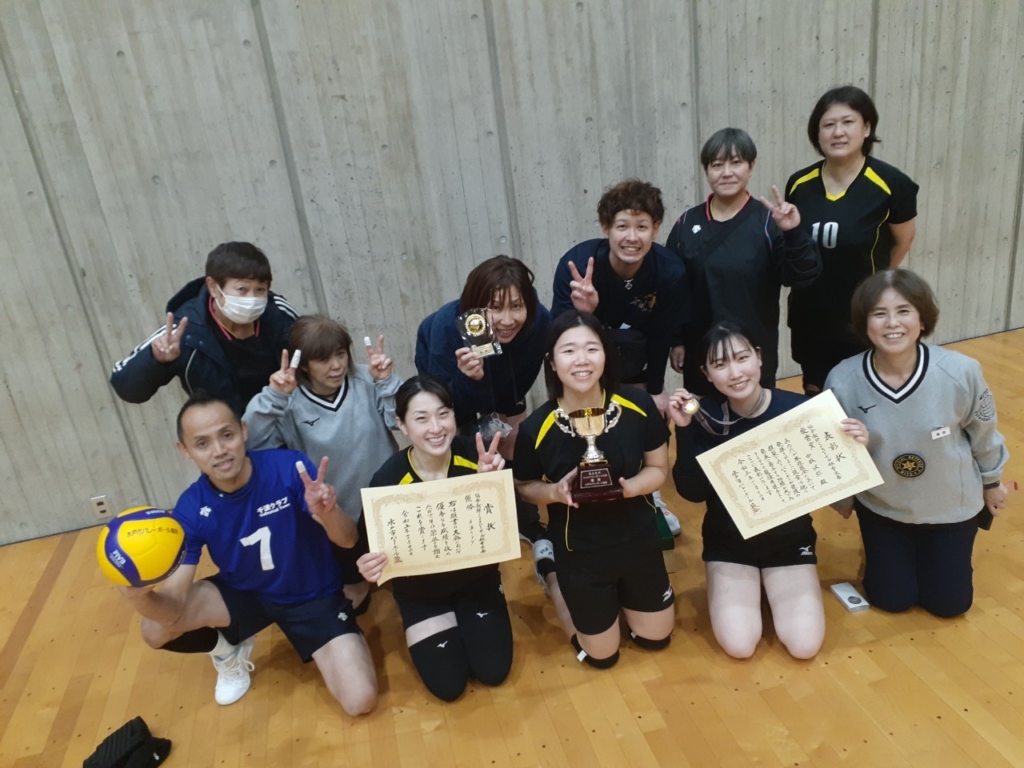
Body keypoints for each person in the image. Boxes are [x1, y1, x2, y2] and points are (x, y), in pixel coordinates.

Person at [117, 392, 377, 715]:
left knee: (360, 700)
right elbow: (172, 607)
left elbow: (349, 540)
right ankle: (225, 650)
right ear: (184, 450)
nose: (219, 450)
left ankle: (338, 637)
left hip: (312, 596)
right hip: (245, 593)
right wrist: (140, 597)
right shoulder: (191, 507)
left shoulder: (289, 468)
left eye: (226, 435)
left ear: (243, 431)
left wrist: (328, 512)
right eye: (202, 443)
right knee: (153, 628)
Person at [669, 322, 867, 659]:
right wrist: (684, 431)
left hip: (788, 541)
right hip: (729, 542)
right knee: (740, 645)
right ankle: (744, 585)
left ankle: (768, 584)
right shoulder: (704, 417)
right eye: (720, 364)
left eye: (742, 357)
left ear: (759, 357)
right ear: (706, 374)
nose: (735, 373)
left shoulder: (801, 410)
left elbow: (840, 479)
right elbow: (692, 492)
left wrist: (857, 443)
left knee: (804, 646)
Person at [825, 270, 1009, 617]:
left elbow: (984, 432)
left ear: (923, 319)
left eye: (904, 311)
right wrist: (843, 496)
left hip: (950, 508)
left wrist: (992, 482)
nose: (892, 323)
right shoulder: (843, 379)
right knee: (892, 600)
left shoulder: (961, 371)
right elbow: (833, 449)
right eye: (879, 313)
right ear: (864, 323)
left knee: (950, 605)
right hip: (884, 507)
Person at [513, 311, 674, 668]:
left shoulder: (638, 405)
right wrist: (554, 493)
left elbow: (659, 469)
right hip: (580, 551)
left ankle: (621, 600)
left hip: (638, 540)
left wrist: (628, 489)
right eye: (569, 351)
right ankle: (552, 574)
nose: (582, 360)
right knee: (602, 656)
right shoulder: (536, 427)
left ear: (606, 354)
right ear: (552, 362)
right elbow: (525, 487)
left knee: (655, 639)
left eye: (592, 348)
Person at [356, 376, 513, 702]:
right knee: (448, 686)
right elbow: (366, 549)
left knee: (493, 672)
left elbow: (503, 530)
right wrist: (368, 565)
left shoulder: (478, 456)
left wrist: (491, 485)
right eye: (421, 418)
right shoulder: (387, 481)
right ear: (402, 425)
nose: (436, 428)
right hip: (421, 594)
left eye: (443, 414)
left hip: (478, 582)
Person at [551, 180, 688, 533]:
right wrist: (586, 314)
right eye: (622, 226)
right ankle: (580, 492)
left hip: (637, 359)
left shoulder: (669, 271)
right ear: (606, 228)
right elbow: (561, 340)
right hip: (585, 365)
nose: (632, 237)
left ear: (656, 228)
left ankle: (650, 493)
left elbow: (661, 334)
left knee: (650, 417)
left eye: (642, 226)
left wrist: (655, 390)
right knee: (587, 428)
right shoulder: (576, 264)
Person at [243, 315, 400, 613]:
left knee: (408, 581)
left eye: (341, 354)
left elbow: (399, 421)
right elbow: (252, 443)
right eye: (323, 359)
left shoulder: (368, 378)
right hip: (337, 514)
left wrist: (387, 382)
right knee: (353, 592)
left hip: (387, 504)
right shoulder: (288, 400)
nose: (337, 365)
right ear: (303, 364)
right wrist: (273, 397)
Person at [415, 256, 555, 570]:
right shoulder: (446, 327)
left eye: (516, 306)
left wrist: (504, 413)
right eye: (495, 307)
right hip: (450, 386)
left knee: (512, 443)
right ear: (475, 305)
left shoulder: (539, 321)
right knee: (457, 447)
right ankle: (467, 527)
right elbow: (445, 406)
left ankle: (526, 520)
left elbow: (523, 377)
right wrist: (470, 379)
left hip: (506, 383)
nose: (507, 319)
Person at [666, 127, 820, 396]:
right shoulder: (686, 223)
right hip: (702, 354)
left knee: (757, 418)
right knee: (702, 417)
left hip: (753, 353)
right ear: (706, 171)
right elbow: (674, 290)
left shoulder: (769, 221)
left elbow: (801, 276)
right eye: (717, 165)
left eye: (736, 162)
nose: (726, 172)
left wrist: (793, 233)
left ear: (751, 167)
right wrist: (676, 340)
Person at [786, 86, 919, 394]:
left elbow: (902, 241)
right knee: (817, 396)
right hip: (811, 315)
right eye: (828, 124)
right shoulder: (799, 184)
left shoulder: (891, 183)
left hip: (862, 317)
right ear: (817, 133)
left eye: (848, 122)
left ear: (867, 127)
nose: (838, 132)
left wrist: (873, 286)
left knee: (865, 399)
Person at [111, 242, 297, 415]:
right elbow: (126, 387)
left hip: (284, 419)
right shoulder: (185, 331)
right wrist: (156, 361)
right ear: (213, 287)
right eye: (242, 289)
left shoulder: (279, 313)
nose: (252, 299)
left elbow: (310, 355)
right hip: (226, 430)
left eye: (260, 290)